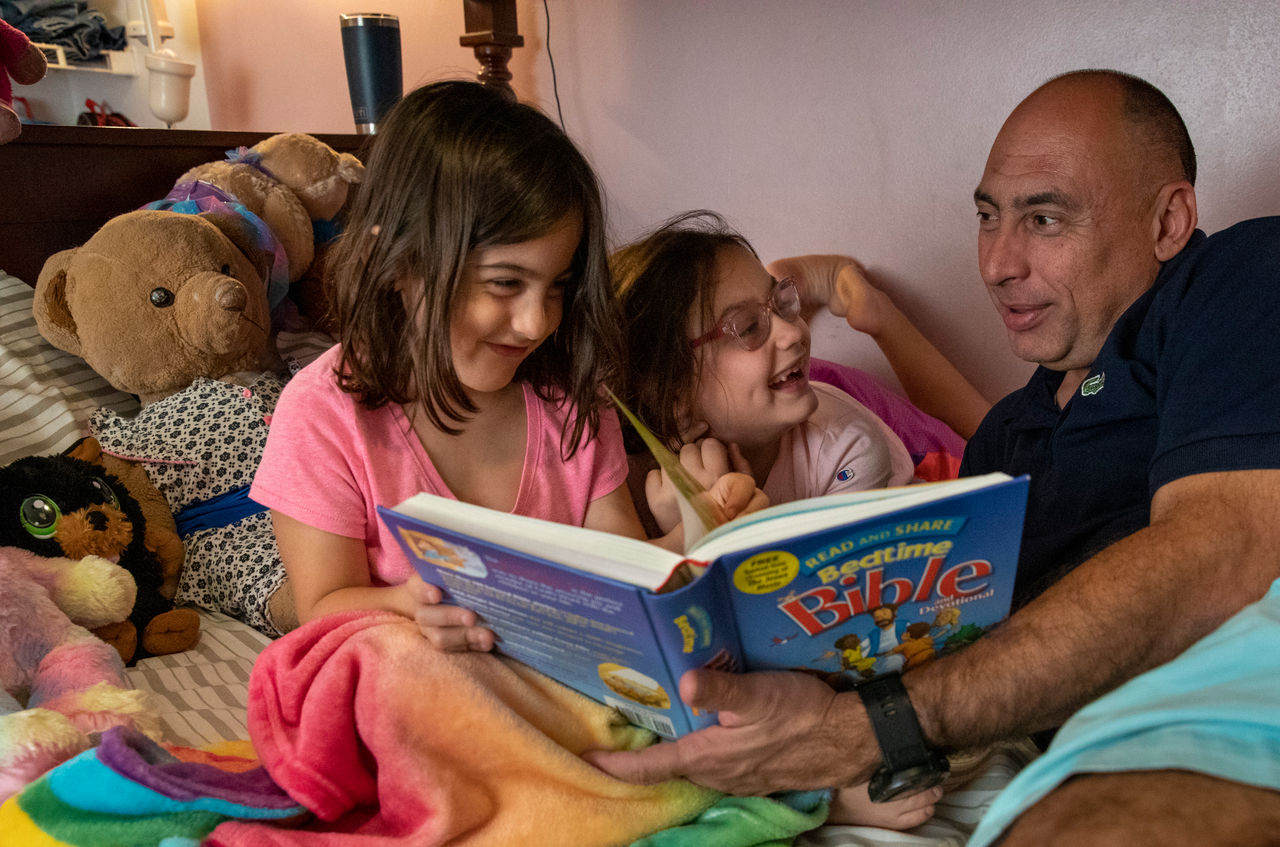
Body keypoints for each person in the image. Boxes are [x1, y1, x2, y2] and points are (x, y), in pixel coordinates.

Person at [585, 69, 1280, 844]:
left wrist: (867, 729)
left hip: (1226, 685)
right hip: (1060, 740)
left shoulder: (1241, 279)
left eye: (1044, 219)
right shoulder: (1009, 435)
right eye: (988, 217)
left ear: (1170, 219)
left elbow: (1224, 553)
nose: (996, 263)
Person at [249, 81, 760, 649]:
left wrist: (700, 531)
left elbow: (620, 571)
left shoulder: (573, 405)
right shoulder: (323, 414)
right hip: (413, 671)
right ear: (394, 262)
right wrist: (405, 608)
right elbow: (322, 608)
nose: (536, 323)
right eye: (505, 283)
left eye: (557, 287)